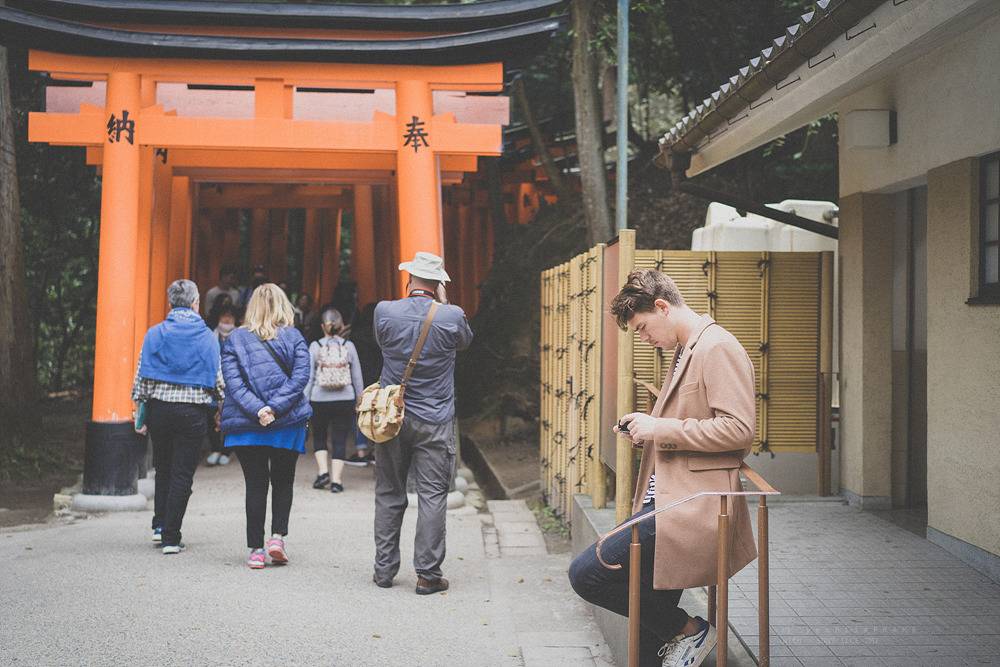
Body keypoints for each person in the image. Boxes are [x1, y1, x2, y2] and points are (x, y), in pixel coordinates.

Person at [568, 269, 757, 667]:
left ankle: (691, 630)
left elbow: (740, 429)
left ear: (662, 306)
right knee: (647, 616)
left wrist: (661, 428)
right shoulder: (687, 348)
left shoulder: (716, 347)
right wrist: (646, 426)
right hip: (669, 499)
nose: (643, 337)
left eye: (642, 327)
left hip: (689, 504)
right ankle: (681, 634)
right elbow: (693, 419)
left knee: (587, 573)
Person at [372, 252, 473, 595]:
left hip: (392, 417)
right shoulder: (451, 316)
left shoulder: (385, 311)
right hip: (435, 419)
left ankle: (384, 571)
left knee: (389, 493)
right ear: (440, 284)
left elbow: (382, 344)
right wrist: (445, 304)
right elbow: (465, 342)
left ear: (409, 279)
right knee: (432, 495)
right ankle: (428, 575)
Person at [220, 283, 312, 570]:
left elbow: (233, 384)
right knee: (283, 480)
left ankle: (256, 550)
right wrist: (275, 407)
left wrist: (259, 409)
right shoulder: (294, 337)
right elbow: (300, 379)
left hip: (248, 424)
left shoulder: (235, 339)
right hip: (287, 421)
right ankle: (277, 538)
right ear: (283, 305)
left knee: (255, 484)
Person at [132, 279, 224, 555]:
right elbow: (217, 381)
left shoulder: (155, 334)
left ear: (170, 303)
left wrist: (140, 412)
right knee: (183, 473)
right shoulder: (207, 337)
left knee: (164, 468)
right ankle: (171, 536)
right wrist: (221, 407)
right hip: (192, 413)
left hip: (160, 410)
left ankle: (159, 525)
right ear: (195, 303)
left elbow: (142, 378)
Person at [303, 308, 365, 492]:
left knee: (320, 436)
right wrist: (359, 399)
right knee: (340, 439)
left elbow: (308, 377)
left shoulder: (315, 346)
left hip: (319, 399)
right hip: (344, 398)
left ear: (323, 326)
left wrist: (304, 400)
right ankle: (337, 481)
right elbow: (357, 376)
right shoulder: (349, 345)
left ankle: (323, 473)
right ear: (341, 326)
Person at [344, 302, 380, 466]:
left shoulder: (356, 335)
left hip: (360, 378)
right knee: (379, 415)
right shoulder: (382, 335)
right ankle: (377, 451)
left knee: (359, 415)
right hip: (380, 379)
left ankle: (361, 451)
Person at [205, 305, 239, 467]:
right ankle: (215, 449)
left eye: (230, 317)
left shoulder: (240, 336)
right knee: (212, 415)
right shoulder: (210, 336)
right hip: (212, 382)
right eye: (223, 317)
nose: (226, 320)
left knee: (231, 417)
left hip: (233, 383)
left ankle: (226, 450)